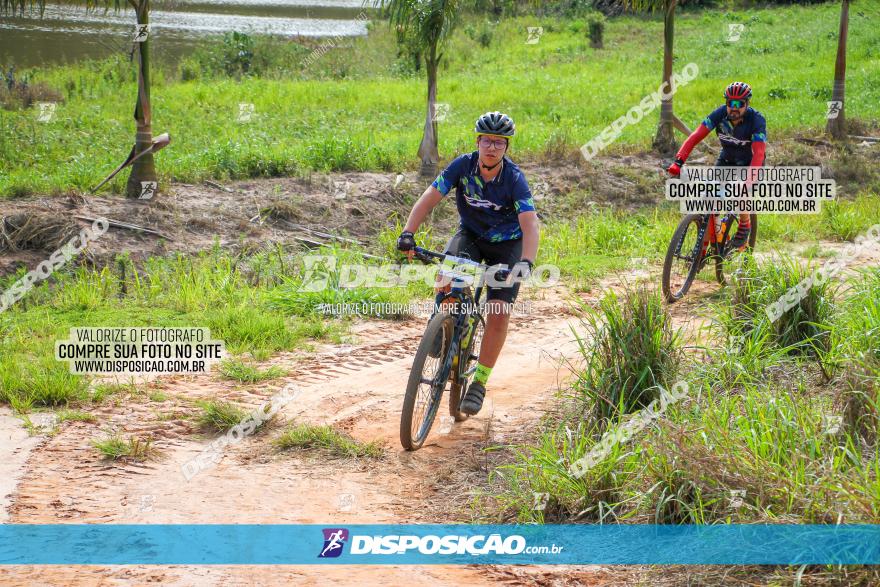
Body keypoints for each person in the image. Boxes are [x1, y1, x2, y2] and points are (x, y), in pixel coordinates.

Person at [396, 111, 539, 416]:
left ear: (506, 148)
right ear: (478, 142)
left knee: (498, 311)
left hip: (507, 246)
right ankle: (441, 326)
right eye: (487, 140)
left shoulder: (514, 179)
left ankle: (479, 383)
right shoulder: (463, 165)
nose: (492, 147)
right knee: (446, 272)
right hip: (471, 237)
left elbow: (530, 224)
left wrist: (526, 262)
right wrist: (408, 232)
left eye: (499, 143)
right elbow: (430, 196)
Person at [667, 81, 767, 250]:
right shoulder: (719, 114)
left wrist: (749, 181)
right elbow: (695, 136)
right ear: (726, 103)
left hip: (750, 163)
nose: (734, 108)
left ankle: (745, 224)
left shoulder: (757, 120)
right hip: (726, 160)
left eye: (739, 104)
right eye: (730, 103)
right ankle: (703, 249)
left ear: (747, 104)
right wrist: (678, 162)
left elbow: (758, 153)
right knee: (709, 202)